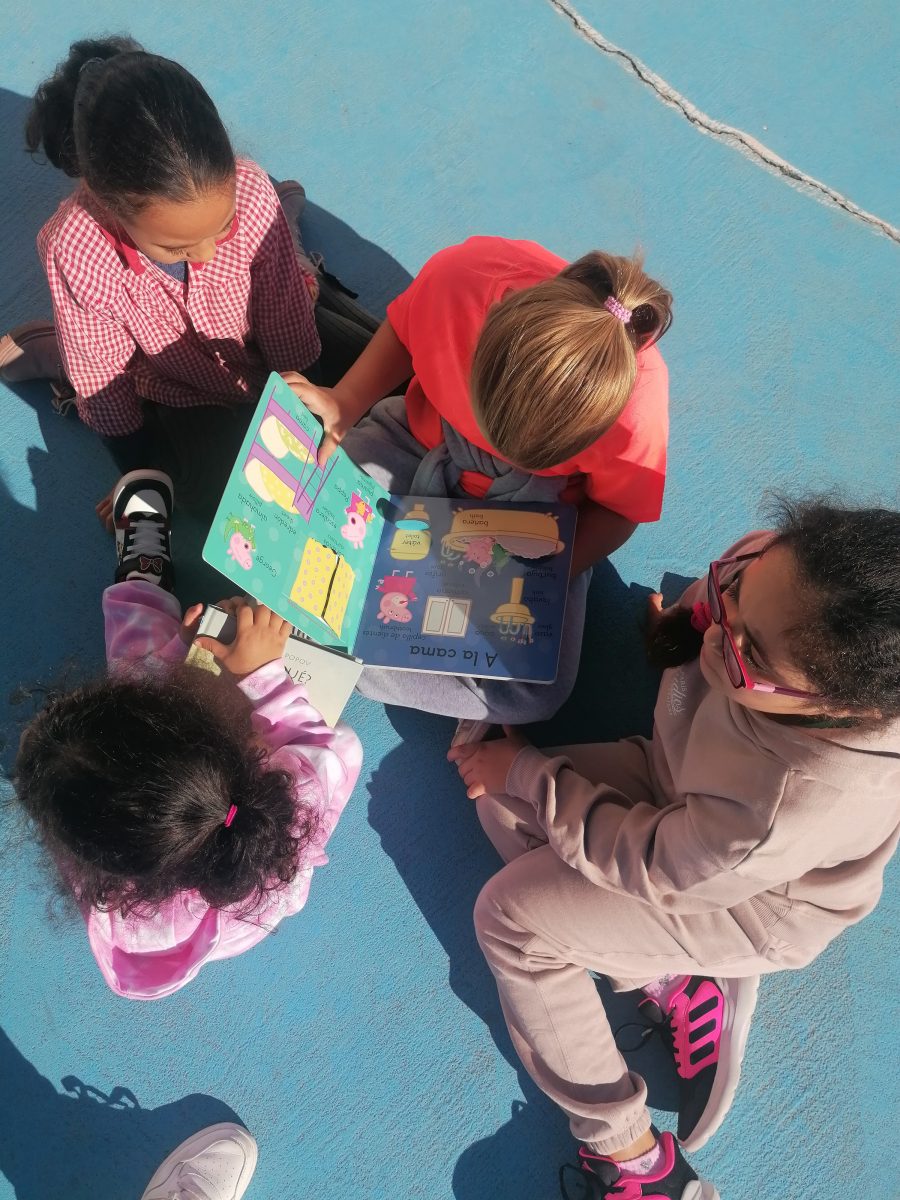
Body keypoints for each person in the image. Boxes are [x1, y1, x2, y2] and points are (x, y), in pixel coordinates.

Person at [449, 498, 900, 1199]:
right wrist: (683, 622)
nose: (721, 635)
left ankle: (633, 1158)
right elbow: (718, 615)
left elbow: (656, 865)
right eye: (734, 589)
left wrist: (530, 771)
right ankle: (680, 978)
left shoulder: (789, 802)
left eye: (750, 656)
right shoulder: (777, 572)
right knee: (501, 804)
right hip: (682, 801)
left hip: (743, 901)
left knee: (510, 921)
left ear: (843, 709)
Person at [283, 236, 672, 732]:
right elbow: (405, 329)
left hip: (531, 513)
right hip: (419, 443)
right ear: (486, 330)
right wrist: (347, 400)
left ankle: (337, 654)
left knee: (534, 689)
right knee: (312, 500)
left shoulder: (638, 403)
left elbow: (619, 511)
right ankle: (355, 650)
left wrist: (545, 571)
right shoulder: (463, 278)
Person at [12, 469, 362, 1000]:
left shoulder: (108, 870)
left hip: (225, 884)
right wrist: (265, 677)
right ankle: (148, 580)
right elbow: (331, 752)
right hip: (255, 856)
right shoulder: (287, 814)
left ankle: (143, 572)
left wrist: (181, 652)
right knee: (140, 664)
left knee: (134, 662)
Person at [0, 36, 376, 514]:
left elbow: (290, 327)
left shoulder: (250, 193)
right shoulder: (74, 250)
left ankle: (289, 241)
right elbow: (104, 386)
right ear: (110, 205)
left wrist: (309, 418)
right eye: (176, 247)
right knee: (201, 513)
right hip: (179, 385)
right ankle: (58, 352)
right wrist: (139, 476)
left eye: (223, 227)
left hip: (276, 333)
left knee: (396, 396)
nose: (206, 254)